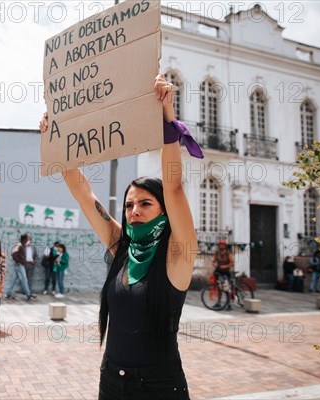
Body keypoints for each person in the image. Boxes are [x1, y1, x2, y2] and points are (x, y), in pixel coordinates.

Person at [39, 74, 202, 399]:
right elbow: (85, 195)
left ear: (164, 211)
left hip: (158, 386)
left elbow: (173, 186)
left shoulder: (177, 255)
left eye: (145, 203)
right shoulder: (121, 247)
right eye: (129, 205)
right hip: (112, 380)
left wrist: (167, 119)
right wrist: (54, 138)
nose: (134, 211)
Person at [5, 234, 36, 300]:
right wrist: (18, 261)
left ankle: (8, 293)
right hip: (19, 265)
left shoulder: (22, 245)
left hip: (20, 265)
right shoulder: (19, 245)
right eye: (27, 239)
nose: (28, 240)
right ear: (24, 239)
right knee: (24, 280)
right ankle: (28, 294)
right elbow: (13, 253)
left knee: (13, 280)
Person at [213, 239, 234, 310]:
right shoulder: (217, 253)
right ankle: (218, 303)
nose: (221, 246)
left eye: (222, 244)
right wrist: (214, 264)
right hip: (219, 272)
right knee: (219, 288)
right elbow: (214, 261)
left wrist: (224, 266)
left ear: (225, 246)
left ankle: (229, 304)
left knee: (227, 289)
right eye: (220, 244)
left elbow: (232, 264)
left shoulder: (228, 253)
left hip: (226, 273)